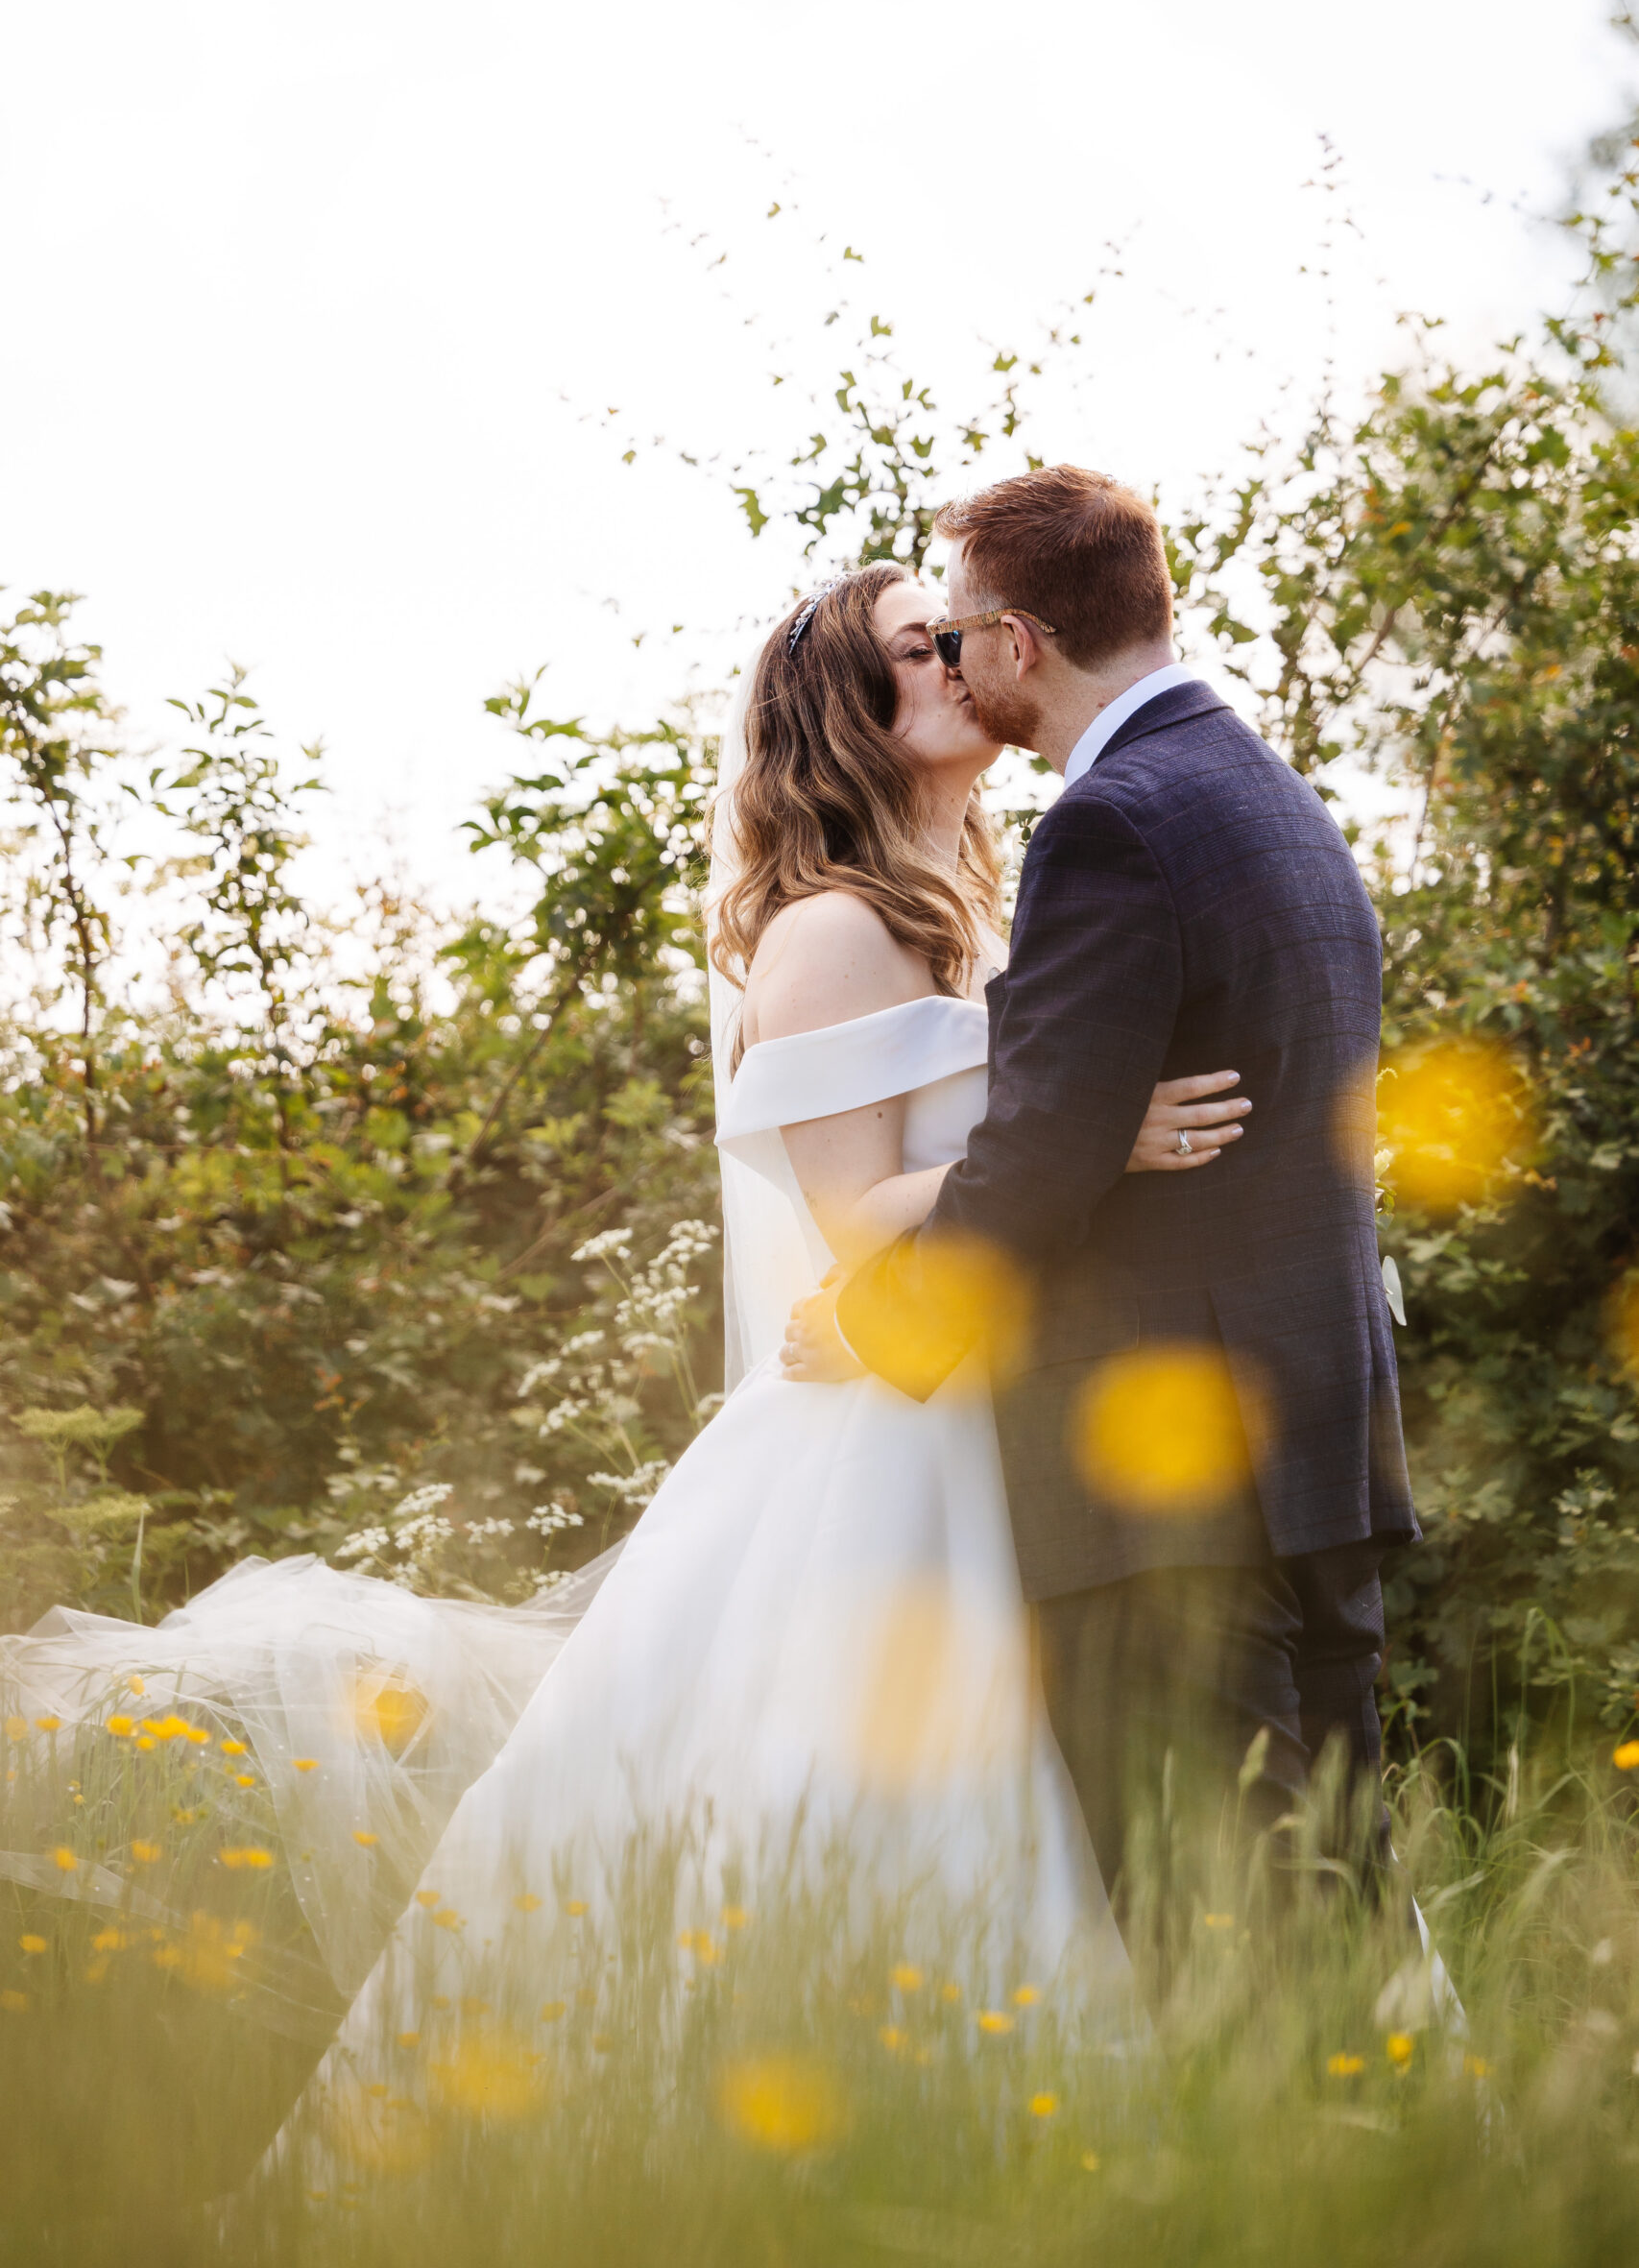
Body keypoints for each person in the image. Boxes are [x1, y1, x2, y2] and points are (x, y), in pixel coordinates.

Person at [258, 556, 1256, 2120]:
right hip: (884, 1447)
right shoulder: (830, 933)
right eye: (921, 649)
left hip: (984, 1395)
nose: (961, 660)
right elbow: (859, 1213)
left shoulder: (991, 899)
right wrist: (1096, 1142)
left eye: (957, 636)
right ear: (846, 714)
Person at [783, 466, 1420, 1928]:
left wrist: (879, 1324)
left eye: (950, 635)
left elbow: (1035, 1165)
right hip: (1309, 1458)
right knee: (1327, 1918)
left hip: (1167, 1494)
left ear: (1015, 641)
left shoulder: (1110, 823)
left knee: (1226, 1946)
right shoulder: (1265, 795)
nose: (946, 660)